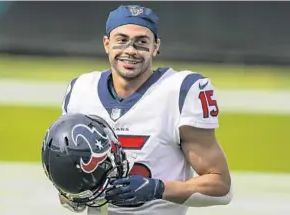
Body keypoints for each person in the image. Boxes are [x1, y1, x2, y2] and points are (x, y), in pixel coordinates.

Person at [58, 4, 232, 215]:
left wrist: (158, 189)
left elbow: (221, 187)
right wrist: (73, 194)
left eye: (141, 42)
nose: (130, 50)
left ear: (156, 46)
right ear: (106, 43)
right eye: (121, 40)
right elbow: (67, 187)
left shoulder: (179, 92)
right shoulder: (81, 91)